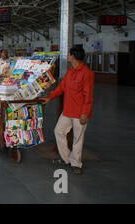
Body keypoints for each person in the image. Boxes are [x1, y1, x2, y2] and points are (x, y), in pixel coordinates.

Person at [40, 46, 94, 175]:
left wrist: (85, 113)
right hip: (67, 111)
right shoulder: (70, 72)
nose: (67, 56)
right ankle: (66, 158)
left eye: (69, 54)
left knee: (77, 139)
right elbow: (61, 88)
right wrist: (50, 97)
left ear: (73, 56)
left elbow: (88, 95)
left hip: (80, 113)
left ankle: (76, 163)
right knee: (58, 131)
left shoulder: (87, 73)